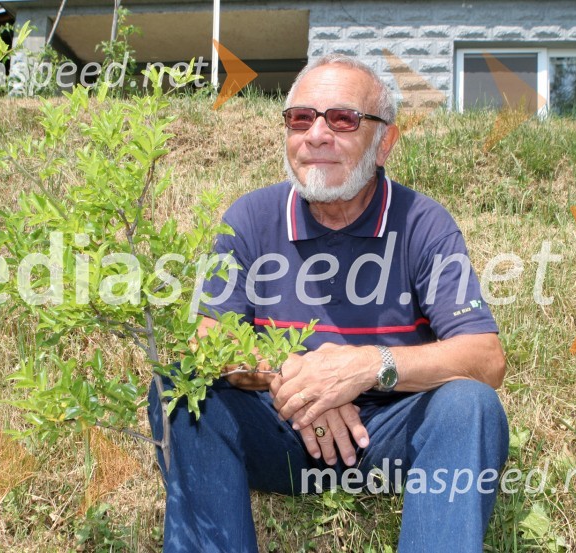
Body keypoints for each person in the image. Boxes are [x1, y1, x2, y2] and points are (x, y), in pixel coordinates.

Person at [148, 54, 509, 552]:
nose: (316, 134)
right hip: (281, 432)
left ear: (384, 142)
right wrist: (300, 384)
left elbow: (485, 358)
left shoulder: (424, 223)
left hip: (389, 435)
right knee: (182, 388)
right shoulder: (251, 217)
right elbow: (208, 340)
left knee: (471, 404)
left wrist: (367, 367)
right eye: (301, 118)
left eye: (342, 119)